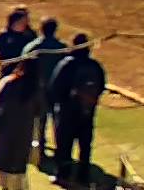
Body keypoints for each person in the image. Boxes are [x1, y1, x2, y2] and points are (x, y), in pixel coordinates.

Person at [49, 34, 106, 187]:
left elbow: (55, 87)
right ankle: (83, 175)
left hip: (67, 113)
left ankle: (63, 175)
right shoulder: (95, 66)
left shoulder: (66, 65)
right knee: (85, 146)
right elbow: (101, 87)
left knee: (64, 146)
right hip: (87, 113)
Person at [0, 58, 44, 190]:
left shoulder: (8, 83)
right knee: (18, 170)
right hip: (24, 135)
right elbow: (40, 111)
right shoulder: (35, 89)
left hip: (6, 133)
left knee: (3, 167)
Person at [22, 17, 66, 158]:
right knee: (57, 121)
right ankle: (61, 149)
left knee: (39, 121)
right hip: (56, 89)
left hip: (37, 89)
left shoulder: (32, 48)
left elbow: (24, 68)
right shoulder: (61, 48)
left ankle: (39, 149)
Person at [0, 7, 37, 79]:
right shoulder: (4, 35)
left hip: (25, 74)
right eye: (24, 21)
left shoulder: (30, 35)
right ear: (16, 22)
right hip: (8, 73)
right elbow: (2, 57)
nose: (27, 23)